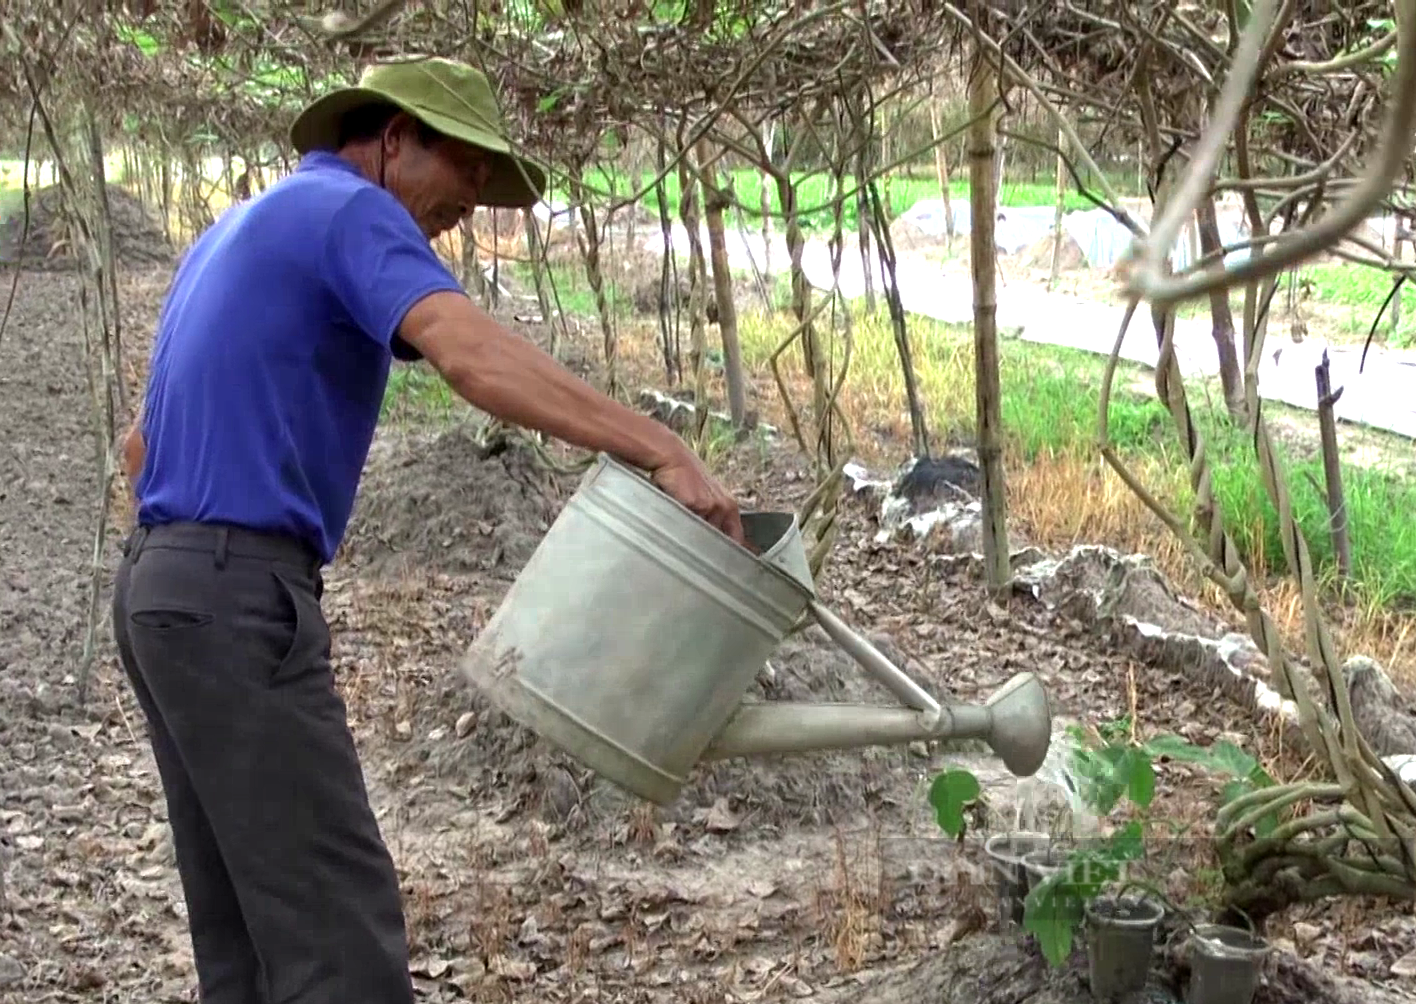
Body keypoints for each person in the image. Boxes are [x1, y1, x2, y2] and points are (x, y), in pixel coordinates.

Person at [112, 56, 745, 1004]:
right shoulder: (352, 212)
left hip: (160, 594)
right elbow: (472, 353)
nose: (475, 196)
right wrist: (659, 445)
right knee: (341, 947)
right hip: (233, 602)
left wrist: (202, 565)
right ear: (395, 138)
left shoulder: (238, 230)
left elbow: (138, 448)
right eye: (468, 167)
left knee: (246, 943)